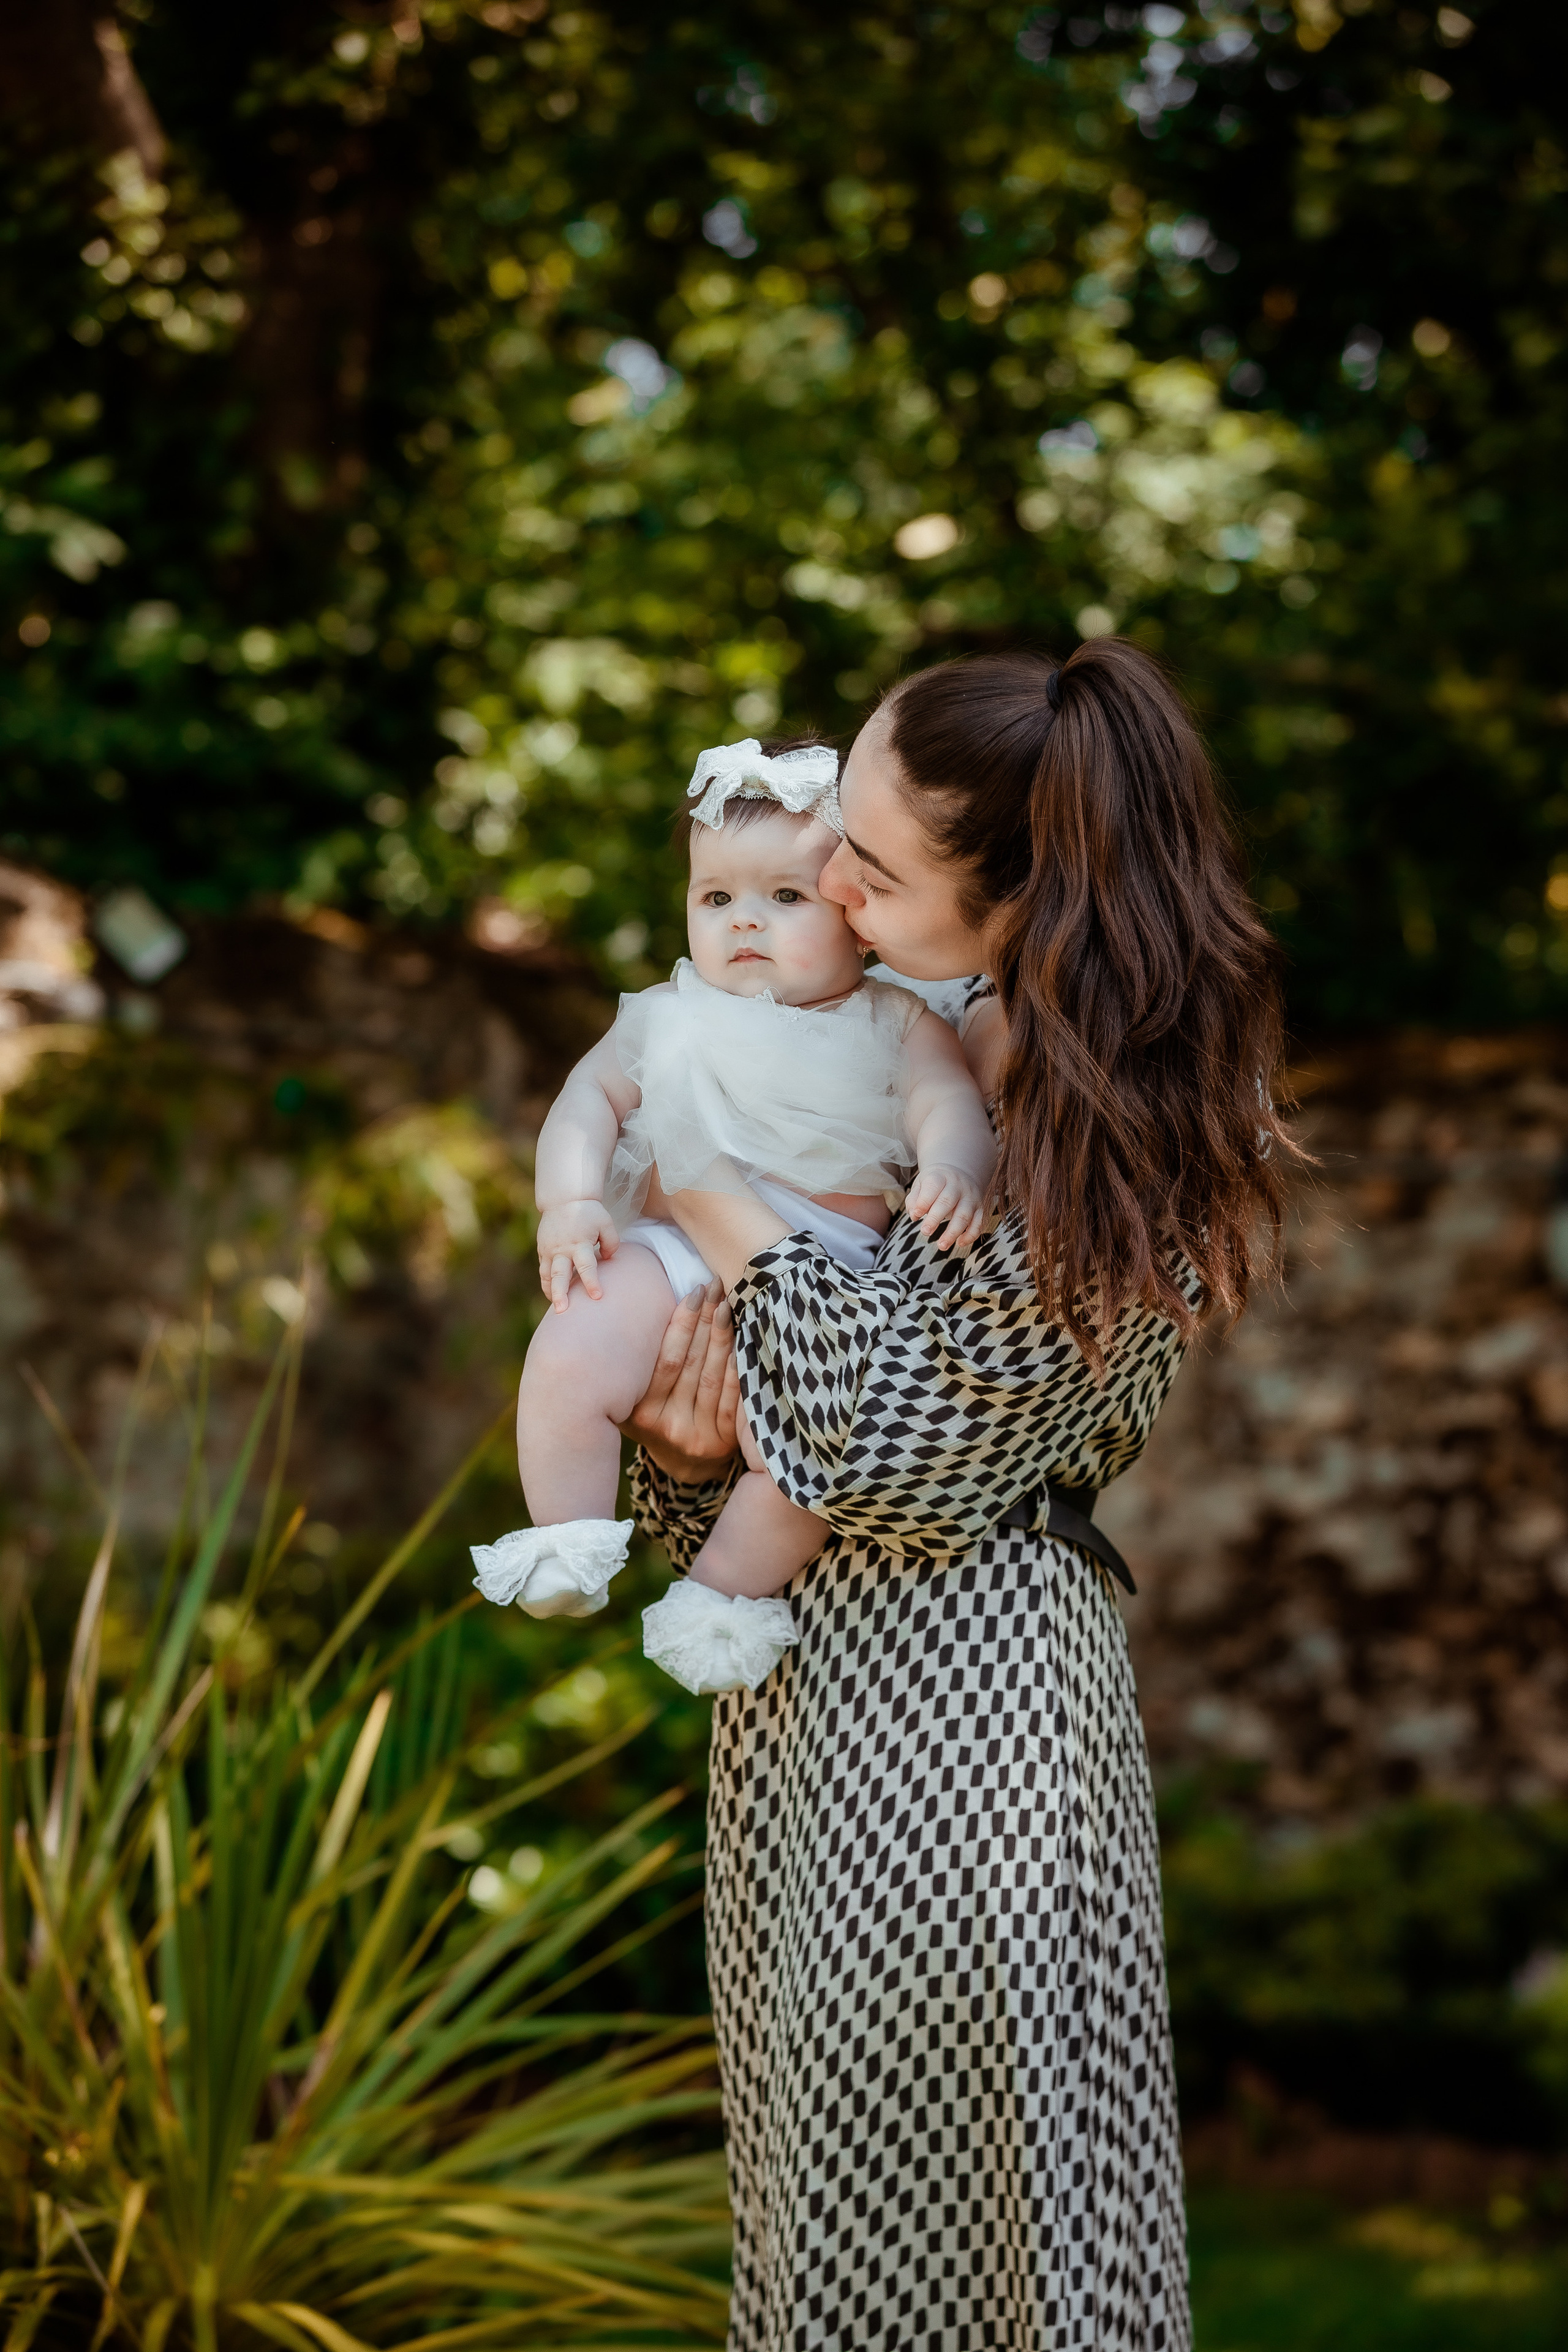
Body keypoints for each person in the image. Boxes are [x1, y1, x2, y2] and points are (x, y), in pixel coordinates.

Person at [625, 643, 1295, 2351]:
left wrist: (709, 1192)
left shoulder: (1111, 1143)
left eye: (876, 865)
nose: (825, 884)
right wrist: (688, 1464)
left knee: (962, 2247)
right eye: (834, 828)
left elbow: (910, 1464)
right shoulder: (879, 1047)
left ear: (1022, 898)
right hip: (802, 1702)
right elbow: (765, 1428)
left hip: (965, 1716)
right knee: (822, 2239)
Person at [471, 737, 996, 1695]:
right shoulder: (667, 1015)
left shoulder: (899, 1018)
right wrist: (573, 1198)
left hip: (832, 1280)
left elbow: (943, 1104)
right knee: (573, 1342)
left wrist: (957, 1164)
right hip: (675, 1254)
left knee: (800, 1460)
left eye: (785, 899)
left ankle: (719, 1601)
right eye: (716, 899)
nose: (744, 922)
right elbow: (587, 1100)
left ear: (857, 914)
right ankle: (566, 1540)